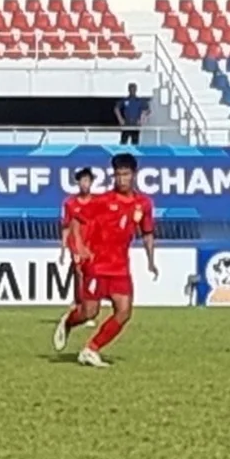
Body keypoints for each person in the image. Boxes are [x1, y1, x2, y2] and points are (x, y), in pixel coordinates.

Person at [54, 152, 159, 368]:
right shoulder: (102, 201)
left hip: (120, 268)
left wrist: (150, 259)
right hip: (97, 265)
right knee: (89, 312)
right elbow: (75, 219)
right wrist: (81, 246)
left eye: (126, 174)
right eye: (118, 175)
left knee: (124, 312)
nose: (122, 179)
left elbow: (147, 232)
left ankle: (91, 349)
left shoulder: (143, 204)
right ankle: (69, 321)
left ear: (134, 175)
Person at [57, 167, 97, 328]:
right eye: (82, 180)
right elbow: (66, 226)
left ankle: (81, 305)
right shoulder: (70, 203)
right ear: (78, 183)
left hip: (92, 246)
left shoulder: (97, 202)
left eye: (88, 180)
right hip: (77, 246)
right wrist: (63, 248)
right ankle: (81, 307)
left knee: (92, 277)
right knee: (80, 274)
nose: (85, 184)